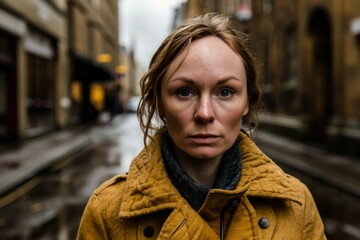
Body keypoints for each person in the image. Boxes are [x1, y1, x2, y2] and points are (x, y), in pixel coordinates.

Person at [77, 13, 326, 239]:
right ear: (159, 103)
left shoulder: (296, 205)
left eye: (225, 92)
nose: (204, 113)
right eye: (184, 92)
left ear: (247, 102)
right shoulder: (107, 213)